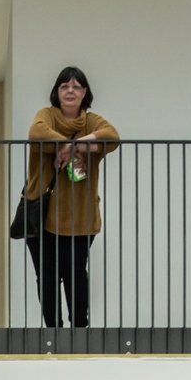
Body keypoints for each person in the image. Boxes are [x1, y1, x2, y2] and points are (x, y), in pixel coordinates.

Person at [21, 66, 120, 328]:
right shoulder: (47, 116)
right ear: (56, 91)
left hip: (80, 218)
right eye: (65, 86)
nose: (70, 91)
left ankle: (79, 330)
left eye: (76, 86)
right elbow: (37, 133)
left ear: (85, 92)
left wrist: (75, 144)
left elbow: (112, 137)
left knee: (76, 274)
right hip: (41, 215)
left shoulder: (92, 121)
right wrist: (70, 144)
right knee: (47, 277)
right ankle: (53, 330)